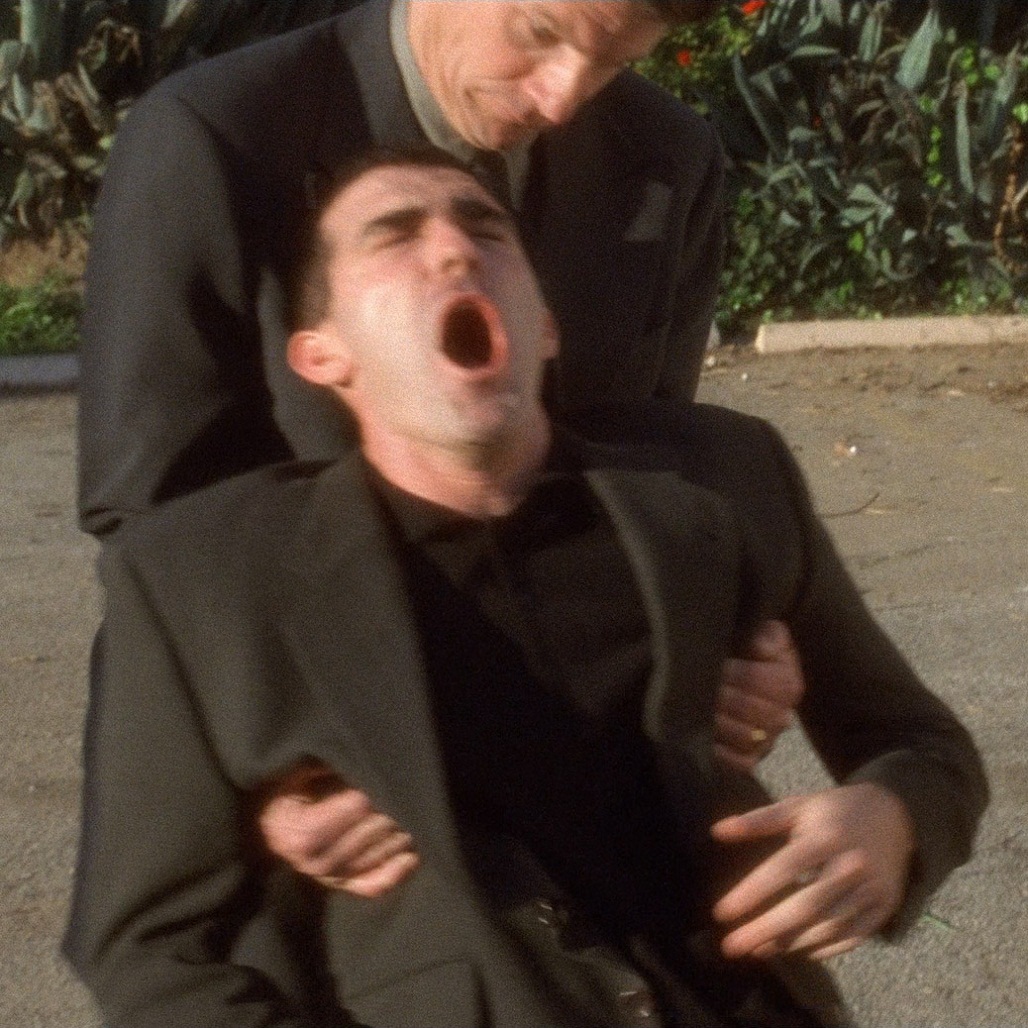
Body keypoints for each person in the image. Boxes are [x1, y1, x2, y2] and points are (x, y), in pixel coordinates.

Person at [65, 149, 988, 1028]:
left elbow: (920, 742)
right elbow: (149, 945)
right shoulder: (208, 578)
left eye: (486, 229)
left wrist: (892, 819)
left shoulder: (719, 485)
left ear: (544, 325)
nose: (455, 249)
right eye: (394, 234)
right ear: (321, 354)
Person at [76, 0, 805, 880]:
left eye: (613, 63)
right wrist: (264, 778)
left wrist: (728, 645)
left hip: (582, 780)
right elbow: (153, 521)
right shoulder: (214, 136)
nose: (563, 99)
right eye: (540, 34)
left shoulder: (668, 154)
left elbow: (647, 480)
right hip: (334, 780)